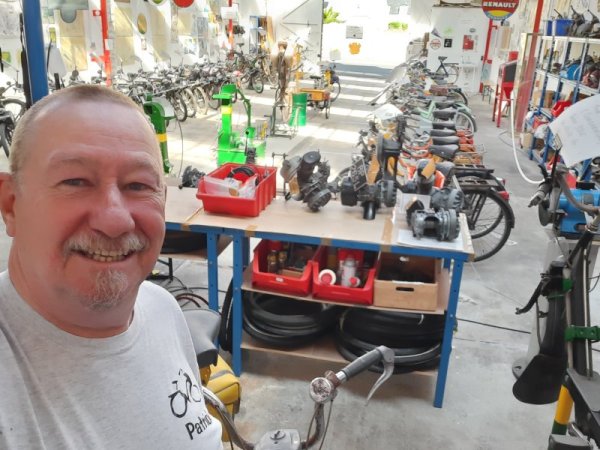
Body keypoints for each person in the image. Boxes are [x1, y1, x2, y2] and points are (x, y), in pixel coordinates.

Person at [0, 85, 223, 449]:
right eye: (75, 181)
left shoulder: (161, 307)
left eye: (138, 185)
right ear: (11, 204)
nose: (116, 220)